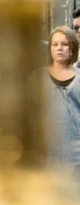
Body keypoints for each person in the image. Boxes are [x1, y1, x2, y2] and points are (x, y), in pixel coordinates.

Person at [37, 26, 80, 177]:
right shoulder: (38, 76)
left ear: (72, 48)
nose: (59, 48)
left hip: (75, 150)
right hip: (46, 149)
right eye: (55, 44)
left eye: (64, 44)